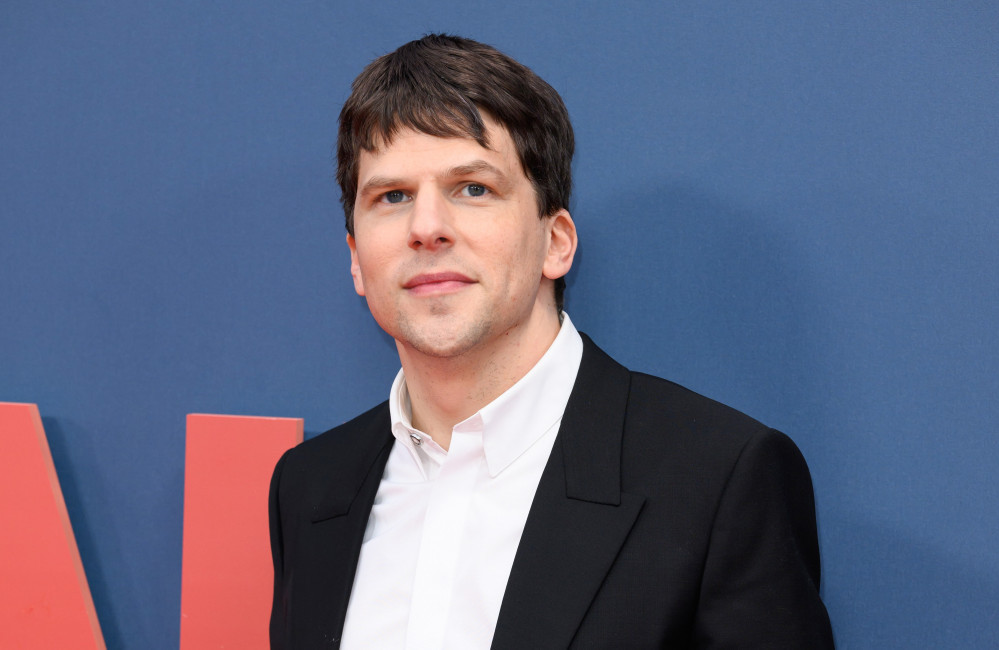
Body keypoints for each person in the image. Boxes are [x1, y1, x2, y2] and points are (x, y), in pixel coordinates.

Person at [268, 34, 834, 649]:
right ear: (356, 259)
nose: (426, 227)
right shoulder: (308, 488)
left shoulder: (718, 481)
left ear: (556, 242)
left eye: (473, 188)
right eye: (392, 197)